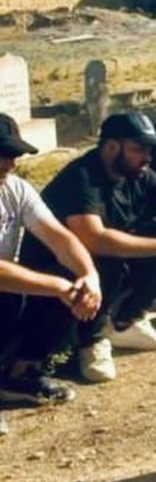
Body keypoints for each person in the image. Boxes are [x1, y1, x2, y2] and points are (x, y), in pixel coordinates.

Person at [19, 113, 156, 384]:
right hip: (55, 273)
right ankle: (91, 341)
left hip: (95, 267)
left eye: (149, 150)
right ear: (112, 147)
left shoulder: (140, 174)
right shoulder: (82, 177)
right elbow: (92, 238)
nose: (147, 157)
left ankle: (126, 323)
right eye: (139, 148)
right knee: (109, 259)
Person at [0, 114, 101, 416]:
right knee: (48, 285)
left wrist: (89, 276)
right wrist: (58, 286)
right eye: (3, 155)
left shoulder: (14, 188)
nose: (11, 163)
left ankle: (20, 374)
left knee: (71, 279)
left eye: (14, 155)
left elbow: (59, 238)